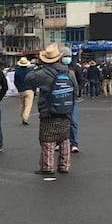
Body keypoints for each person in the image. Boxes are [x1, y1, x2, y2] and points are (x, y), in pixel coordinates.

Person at [26, 43, 79, 176]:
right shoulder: (69, 72)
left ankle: (48, 166)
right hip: (66, 110)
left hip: (48, 111)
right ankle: (64, 165)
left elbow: (28, 78)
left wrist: (37, 66)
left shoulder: (43, 73)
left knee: (47, 138)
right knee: (64, 138)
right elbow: (76, 91)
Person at [66, 50, 84, 152]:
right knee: (60, 121)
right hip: (60, 97)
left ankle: (74, 143)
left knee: (73, 121)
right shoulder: (58, 68)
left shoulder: (75, 68)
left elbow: (80, 81)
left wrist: (76, 93)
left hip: (71, 97)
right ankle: (61, 142)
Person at [13, 57, 35, 126]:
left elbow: (15, 81)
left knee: (22, 105)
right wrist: (34, 89)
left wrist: (18, 88)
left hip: (21, 90)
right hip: (29, 89)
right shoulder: (30, 71)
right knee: (28, 105)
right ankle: (25, 118)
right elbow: (33, 80)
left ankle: (22, 117)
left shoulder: (17, 72)